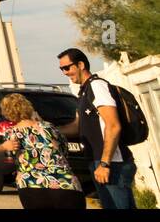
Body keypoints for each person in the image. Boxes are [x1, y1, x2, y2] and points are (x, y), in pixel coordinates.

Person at [57, 47, 136, 208]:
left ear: (80, 65)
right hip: (99, 163)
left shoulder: (97, 86)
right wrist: (48, 130)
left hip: (113, 164)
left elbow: (113, 126)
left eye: (67, 67)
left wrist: (105, 164)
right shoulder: (84, 91)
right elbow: (77, 127)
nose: (64, 72)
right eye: (61, 69)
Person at [0, 92, 85, 209]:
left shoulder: (10, 134)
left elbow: (11, 156)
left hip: (30, 186)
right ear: (28, 106)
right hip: (63, 183)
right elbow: (63, 149)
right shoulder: (48, 127)